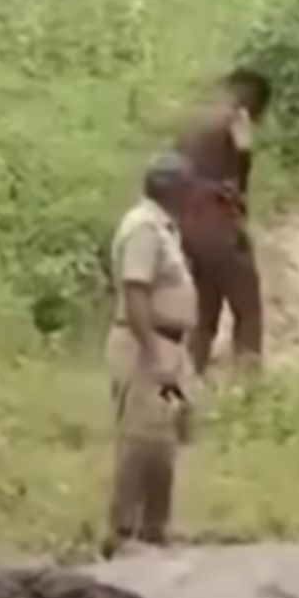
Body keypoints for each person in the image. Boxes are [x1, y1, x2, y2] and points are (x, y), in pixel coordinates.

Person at [104, 154, 199, 554]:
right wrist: (153, 351)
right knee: (142, 439)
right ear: (174, 189)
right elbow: (136, 289)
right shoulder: (144, 228)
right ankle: (125, 532)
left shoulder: (164, 228)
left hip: (168, 344)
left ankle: (154, 530)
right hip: (147, 344)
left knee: (164, 439)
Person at [173, 68, 272, 373]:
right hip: (220, 225)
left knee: (204, 311)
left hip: (186, 225)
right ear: (254, 100)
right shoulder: (236, 118)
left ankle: (189, 377)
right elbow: (243, 152)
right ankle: (248, 385)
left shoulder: (192, 120)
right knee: (248, 309)